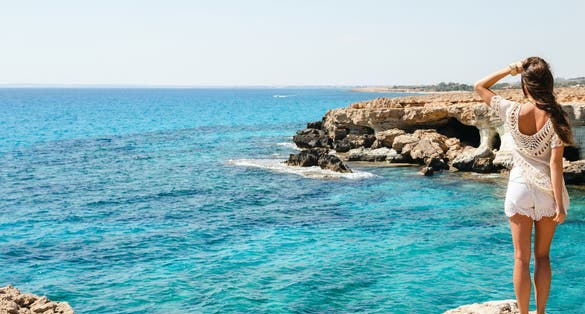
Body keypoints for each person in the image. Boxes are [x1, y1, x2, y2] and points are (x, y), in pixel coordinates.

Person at [474, 57, 573, 314]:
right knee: (542, 257)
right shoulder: (556, 116)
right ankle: (540, 312)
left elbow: (480, 86)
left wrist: (512, 68)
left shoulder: (511, 110)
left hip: (519, 187)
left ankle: (524, 313)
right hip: (547, 192)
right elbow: (555, 164)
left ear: (526, 85)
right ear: (548, 84)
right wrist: (560, 206)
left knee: (520, 258)